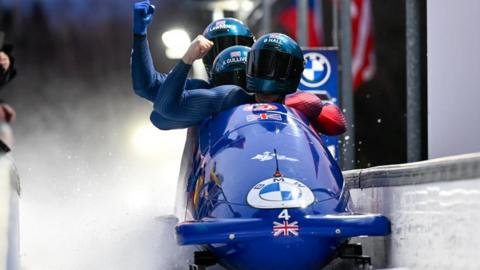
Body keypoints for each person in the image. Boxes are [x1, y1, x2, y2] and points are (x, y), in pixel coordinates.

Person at [152, 32, 346, 135]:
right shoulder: (230, 97)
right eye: (262, 64)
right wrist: (187, 59)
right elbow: (163, 112)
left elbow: (337, 124)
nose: (268, 73)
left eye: (274, 66)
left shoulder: (302, 102)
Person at [131, 0, 254, 102]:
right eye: (217, 51)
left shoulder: (269, 87)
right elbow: (147, 86)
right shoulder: (198, 90)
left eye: (235, 46)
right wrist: (140, 37)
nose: (231, 58)